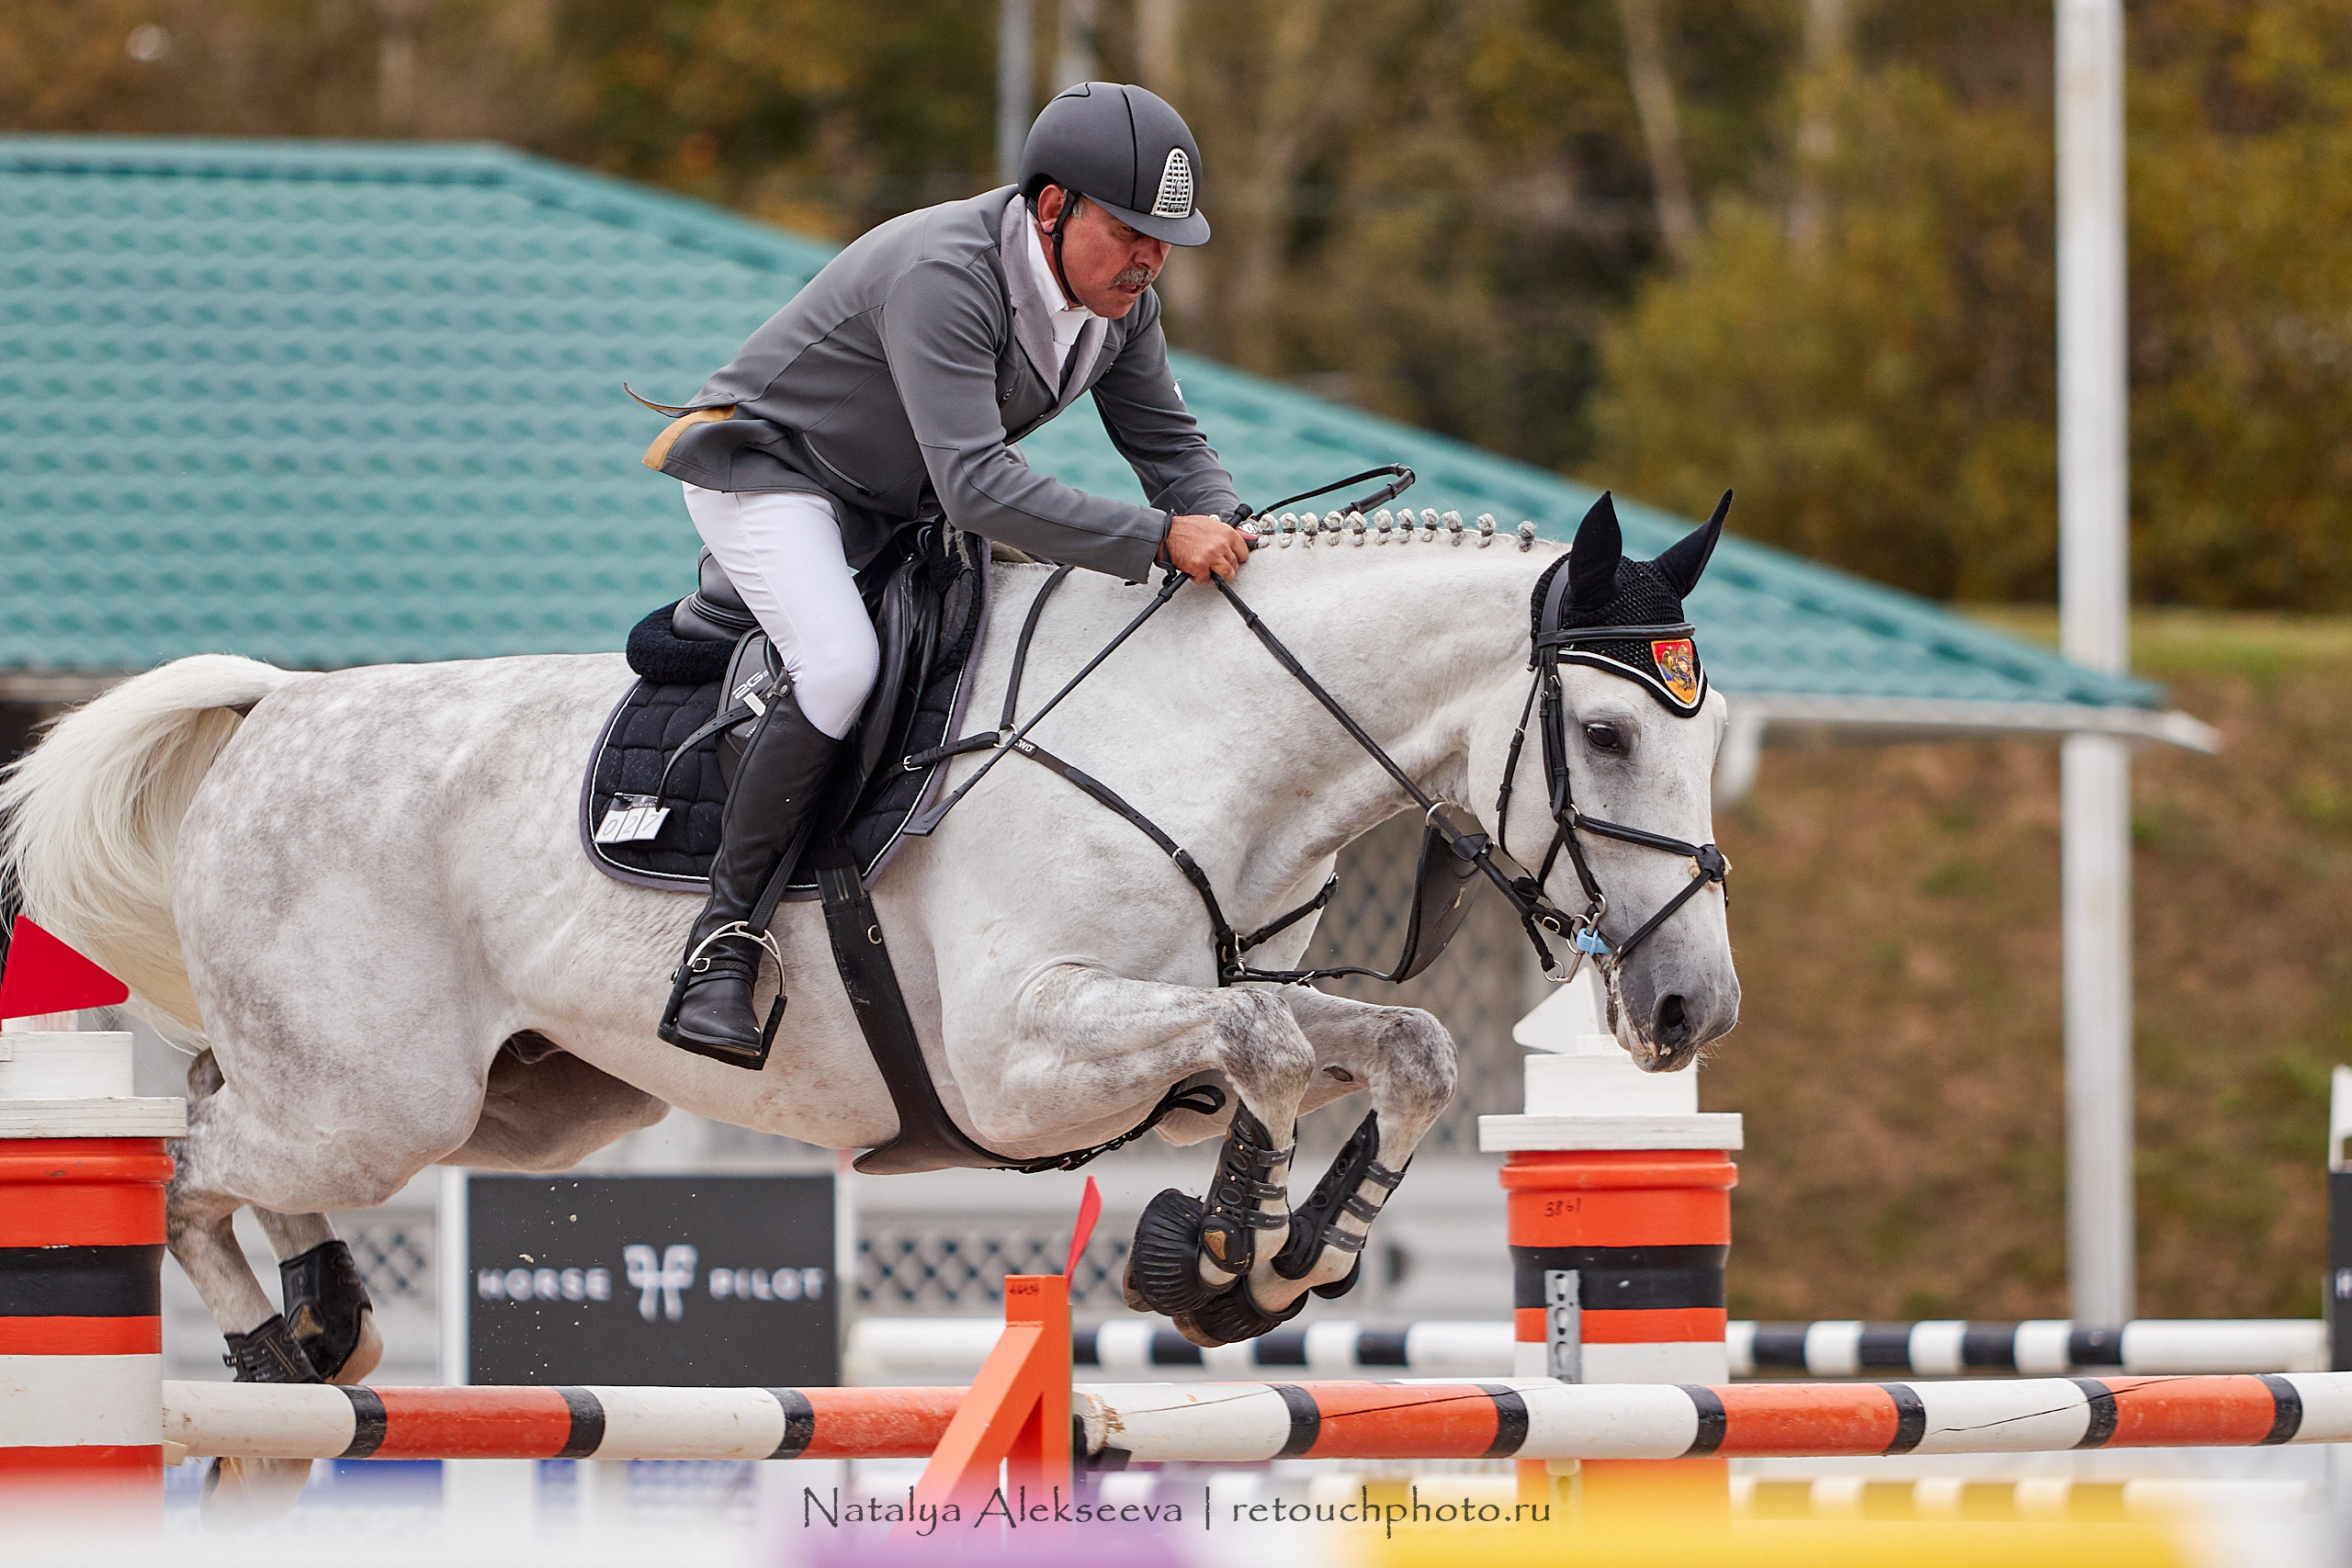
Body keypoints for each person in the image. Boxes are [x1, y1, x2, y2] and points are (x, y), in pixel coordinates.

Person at [640, 82, 1258, 1066]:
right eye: (1133, 231)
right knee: (840, 663)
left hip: (897, 498)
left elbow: (1172, 450)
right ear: (1052, 208)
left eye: (1165, 237)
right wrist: (1155, 539)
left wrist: (1234, 530)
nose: (1153, 257)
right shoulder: (946, 272)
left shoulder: (1116, 304)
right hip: (774, 475)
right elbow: (977, 487)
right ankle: (722, 942)